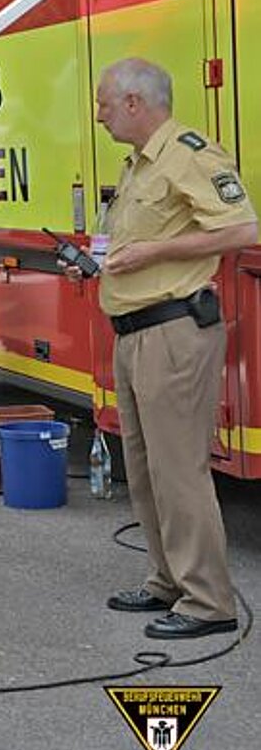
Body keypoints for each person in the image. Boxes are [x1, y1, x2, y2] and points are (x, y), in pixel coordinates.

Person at [73, 58, 253, 639]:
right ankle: (167, 580)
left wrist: (155, 253)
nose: (98, 115)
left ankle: (209, 602)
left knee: (179, 471)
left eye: (104, 104)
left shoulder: (190, 155)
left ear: (134, 102)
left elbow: (245, 229)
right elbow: (132, 241)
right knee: (146, 469)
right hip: (134, 333)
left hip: (174, 332)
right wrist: (99, 263)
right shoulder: (137, 164)